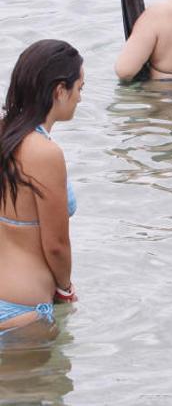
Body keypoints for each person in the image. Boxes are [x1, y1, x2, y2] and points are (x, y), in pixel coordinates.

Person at [0, 40, 83, 338]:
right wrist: (65, 288)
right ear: (60, 90)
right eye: (80, 88)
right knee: (46, 386)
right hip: (19, 308)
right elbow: (56, 244)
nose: (80, 98)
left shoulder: (4, 133)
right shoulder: (45, 153)